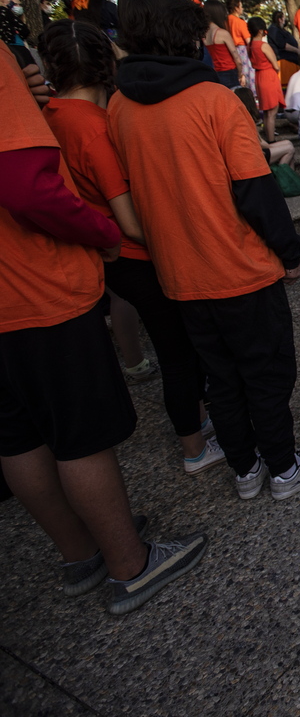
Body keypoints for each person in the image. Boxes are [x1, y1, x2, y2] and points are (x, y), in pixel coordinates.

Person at [108, 0, 300, 502]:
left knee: (220, 380)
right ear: (184, 29)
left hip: (179, 275)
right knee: (267, 370)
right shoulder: (213, 100)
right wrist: (290, 250)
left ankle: (245, 470)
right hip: (239, 268)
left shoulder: (119, 108)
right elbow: (254, 190)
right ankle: (282, 468)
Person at [0, 41, 207, 615]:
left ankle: (80, 553)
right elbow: (30, 187)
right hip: (37, 288)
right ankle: (129, 563)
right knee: (80, 435)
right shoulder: (90, 124)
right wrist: (100, 233)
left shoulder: (59, 115)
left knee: (21, 436)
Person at [39, 19, 223, 474]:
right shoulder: (94, 128)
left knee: (175, 349)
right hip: (135, 256)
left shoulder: (53, 114)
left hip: (112, 258)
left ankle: (198, 423)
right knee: (178, 353)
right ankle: (195, 446)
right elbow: (132, 223)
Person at [248, 17, 290, 161]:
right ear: (261, 30)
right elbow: (276, 64)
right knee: (272, 110)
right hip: (268, 76)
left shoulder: (250, 45)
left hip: (259, 76)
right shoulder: (263, 45)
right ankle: (271, 140)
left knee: (266, 111)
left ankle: (268, 136)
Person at [203, 1, 241, 88]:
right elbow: (237, 58)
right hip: (229, 72)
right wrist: (240, 73)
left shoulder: (203, 34)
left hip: (214, 73)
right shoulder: (222, 33)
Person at [226, 0, 255, 98]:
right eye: (241, 6)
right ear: (236, 8)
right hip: (242, 50)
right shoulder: (240, 22)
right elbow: (248, 41)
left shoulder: (225, 21)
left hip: (229, 51)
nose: (242, 9)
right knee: (247, 78)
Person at [268, 9, 300, 90]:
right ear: (279, 19)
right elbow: (283, 44)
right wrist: (297, 50)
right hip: (284, 61)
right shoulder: (273, 30)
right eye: (283, 18)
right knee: (286, 87)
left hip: (291, 61)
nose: (285, 20)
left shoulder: (280, 29)